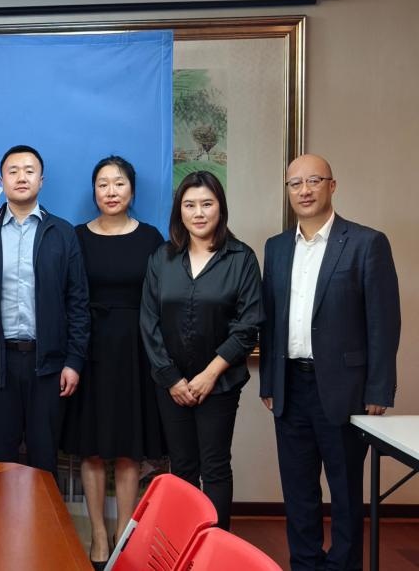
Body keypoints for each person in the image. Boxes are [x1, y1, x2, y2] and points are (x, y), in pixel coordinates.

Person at [259, 154, 400, 571]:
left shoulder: (366, 243)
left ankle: (343, 566)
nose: (304, 190)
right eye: (295, 183)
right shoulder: (276, 248)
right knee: (298, 490)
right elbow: (271, 322)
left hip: (344, 389)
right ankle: (305, 564)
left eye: (314, 181)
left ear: (332, 186)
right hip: (290, 387)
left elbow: (384, 323)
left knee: (345, 491)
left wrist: (379, 389)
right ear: (288, 191)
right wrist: (269, 382)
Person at [140, 170, 261, 530]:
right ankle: (184, 548)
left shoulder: (241, 258)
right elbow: (149, 322)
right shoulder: (162, 258)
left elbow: (249, 324)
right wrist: (172, 378)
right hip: (171, 385)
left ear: (220, 208)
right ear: (179, 211)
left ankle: (215, 549)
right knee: (182, 467)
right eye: (189, 205)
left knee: (216, 466)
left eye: (206, 204)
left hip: (219, 383)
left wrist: (210, 374)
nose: (198, 213)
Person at [61, 156, 165, 568]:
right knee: (91, 447)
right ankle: (99, 536)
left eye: (119, 183)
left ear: (132, 190)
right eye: (103, 184)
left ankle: (124, 534)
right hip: (89, 349)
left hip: (135, 350)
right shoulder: (76, 237)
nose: (111, 191)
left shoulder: (151, 238)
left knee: (128, 448)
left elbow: (160, 297)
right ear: (94, 191)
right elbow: (69, 295)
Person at [0, 144, 90, 474]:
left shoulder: (62, 233)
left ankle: (43, 512)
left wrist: (73, 361)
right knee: (0, 461)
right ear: (1, 180)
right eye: (13, 171)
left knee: (44, 460)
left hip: (47, 365)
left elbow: (77, 302)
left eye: (29, 171)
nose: (21, 177)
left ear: (41, 181)